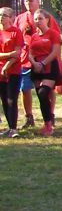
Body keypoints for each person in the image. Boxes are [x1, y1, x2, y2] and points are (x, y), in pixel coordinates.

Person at [16, 0, 61, 129]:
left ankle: (50, 115)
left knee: (47, 90)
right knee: (25, 88)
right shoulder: (20, 18)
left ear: (38, 1)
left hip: (47, 61)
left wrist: (55, 61)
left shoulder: (48, 18)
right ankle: (29, 116)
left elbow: (56, 44)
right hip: (27, 59)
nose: (28, 3)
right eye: (26, 1)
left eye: (31, 0)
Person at [28, 9, 62, 136]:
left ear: (47, 20)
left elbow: (55, 52)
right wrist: (34, 63)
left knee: (43, 93)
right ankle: (47, 123)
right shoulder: (34, 36)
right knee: (41, 97)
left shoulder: (53, 34)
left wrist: (43, 63)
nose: (38, 21)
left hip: (49, 66)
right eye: (36, 19)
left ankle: (50, 122)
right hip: (36, 67)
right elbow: (30, 53)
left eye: (40, 18)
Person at [0, 8, 21, 136]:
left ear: (11, 18)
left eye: (4, 15)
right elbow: (12, 53)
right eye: (0, 15)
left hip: (13, 70)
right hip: (0, 71)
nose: (1, 17)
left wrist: (6, 66)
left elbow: (17, 53)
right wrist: (9, 54)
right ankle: (9, 127)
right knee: (4, 99)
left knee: (11, 99)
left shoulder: (16, 32)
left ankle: (13, 128)